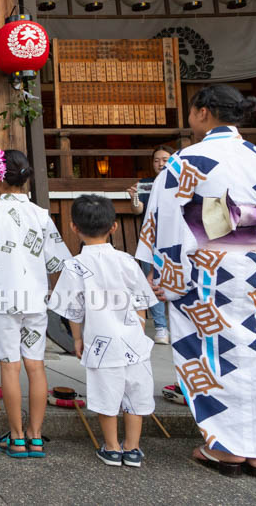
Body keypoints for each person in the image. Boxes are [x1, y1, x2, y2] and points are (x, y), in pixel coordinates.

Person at [136, 84, 256, 476]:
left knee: (212, 355)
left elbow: (167, 225)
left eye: (191, 111)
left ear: (204, 112)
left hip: (206, 275)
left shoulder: (185, 163)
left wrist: (164, 277)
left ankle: (225, 447)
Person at [0, 149, 70, 459]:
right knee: (35, 367)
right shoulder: (41, 214)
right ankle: (36, 437)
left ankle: (17, 437)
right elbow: (55, 262)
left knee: (9, 368)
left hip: (1, 297)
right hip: (35, 298)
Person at [50, 195, 158, 468]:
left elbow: (73, 310)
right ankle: (132, 449)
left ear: (74, 228)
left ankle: (111, 447)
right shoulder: (127, 261)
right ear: (114, 227)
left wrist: (76, 338)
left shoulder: (75, 266)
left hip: (100, 342)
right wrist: (140, 327)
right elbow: (142, 302)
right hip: (133, 340)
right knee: (135, 395)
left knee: (106, 395)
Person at [128, 145, 174, 345]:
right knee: (153, 284)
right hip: (152, 241)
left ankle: (180, 326)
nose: (160, 163)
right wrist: (134, 197)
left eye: (165, 159)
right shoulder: (146, 184)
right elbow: (138, 210)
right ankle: (161, 328)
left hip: (175, 240)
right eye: (156, 160)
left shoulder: (181, 183)